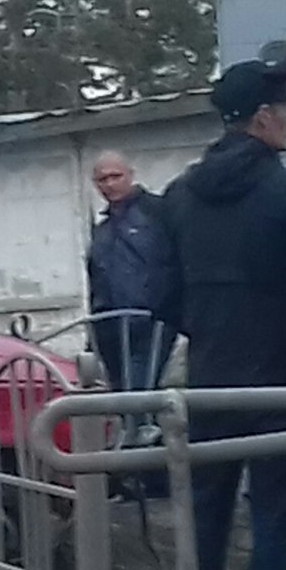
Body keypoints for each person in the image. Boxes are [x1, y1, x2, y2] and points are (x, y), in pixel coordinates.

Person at [152, 60, 286, 570]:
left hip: (208, 377)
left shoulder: (178, 196)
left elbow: (162, 295)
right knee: (274, 518)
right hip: (281, 379)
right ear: (264, 119)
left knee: (205, 513)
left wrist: (209, 328)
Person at [86, 151, 175, 400]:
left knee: (137, 396)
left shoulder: (157, 212)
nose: (109, 184)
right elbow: (97, 280)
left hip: (149, 323)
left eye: (116, 176)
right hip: (109, 328)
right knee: (121, 398)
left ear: (131, 176)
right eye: (102, 179)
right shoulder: (102, 230)